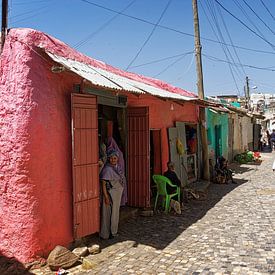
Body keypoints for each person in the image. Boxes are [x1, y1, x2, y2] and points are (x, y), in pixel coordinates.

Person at [99, 149, 125, 239]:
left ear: (117, 159)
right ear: (109, 159)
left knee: (115, 213)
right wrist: (106, 197)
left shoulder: (117, 167)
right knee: (108, 213)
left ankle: (113, 232)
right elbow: (103, 183)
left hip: (116, 194)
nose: (113, 160)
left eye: (115, 158)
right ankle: (106, 234)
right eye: (111, 158)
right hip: (110, 193)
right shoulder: (107, 169)